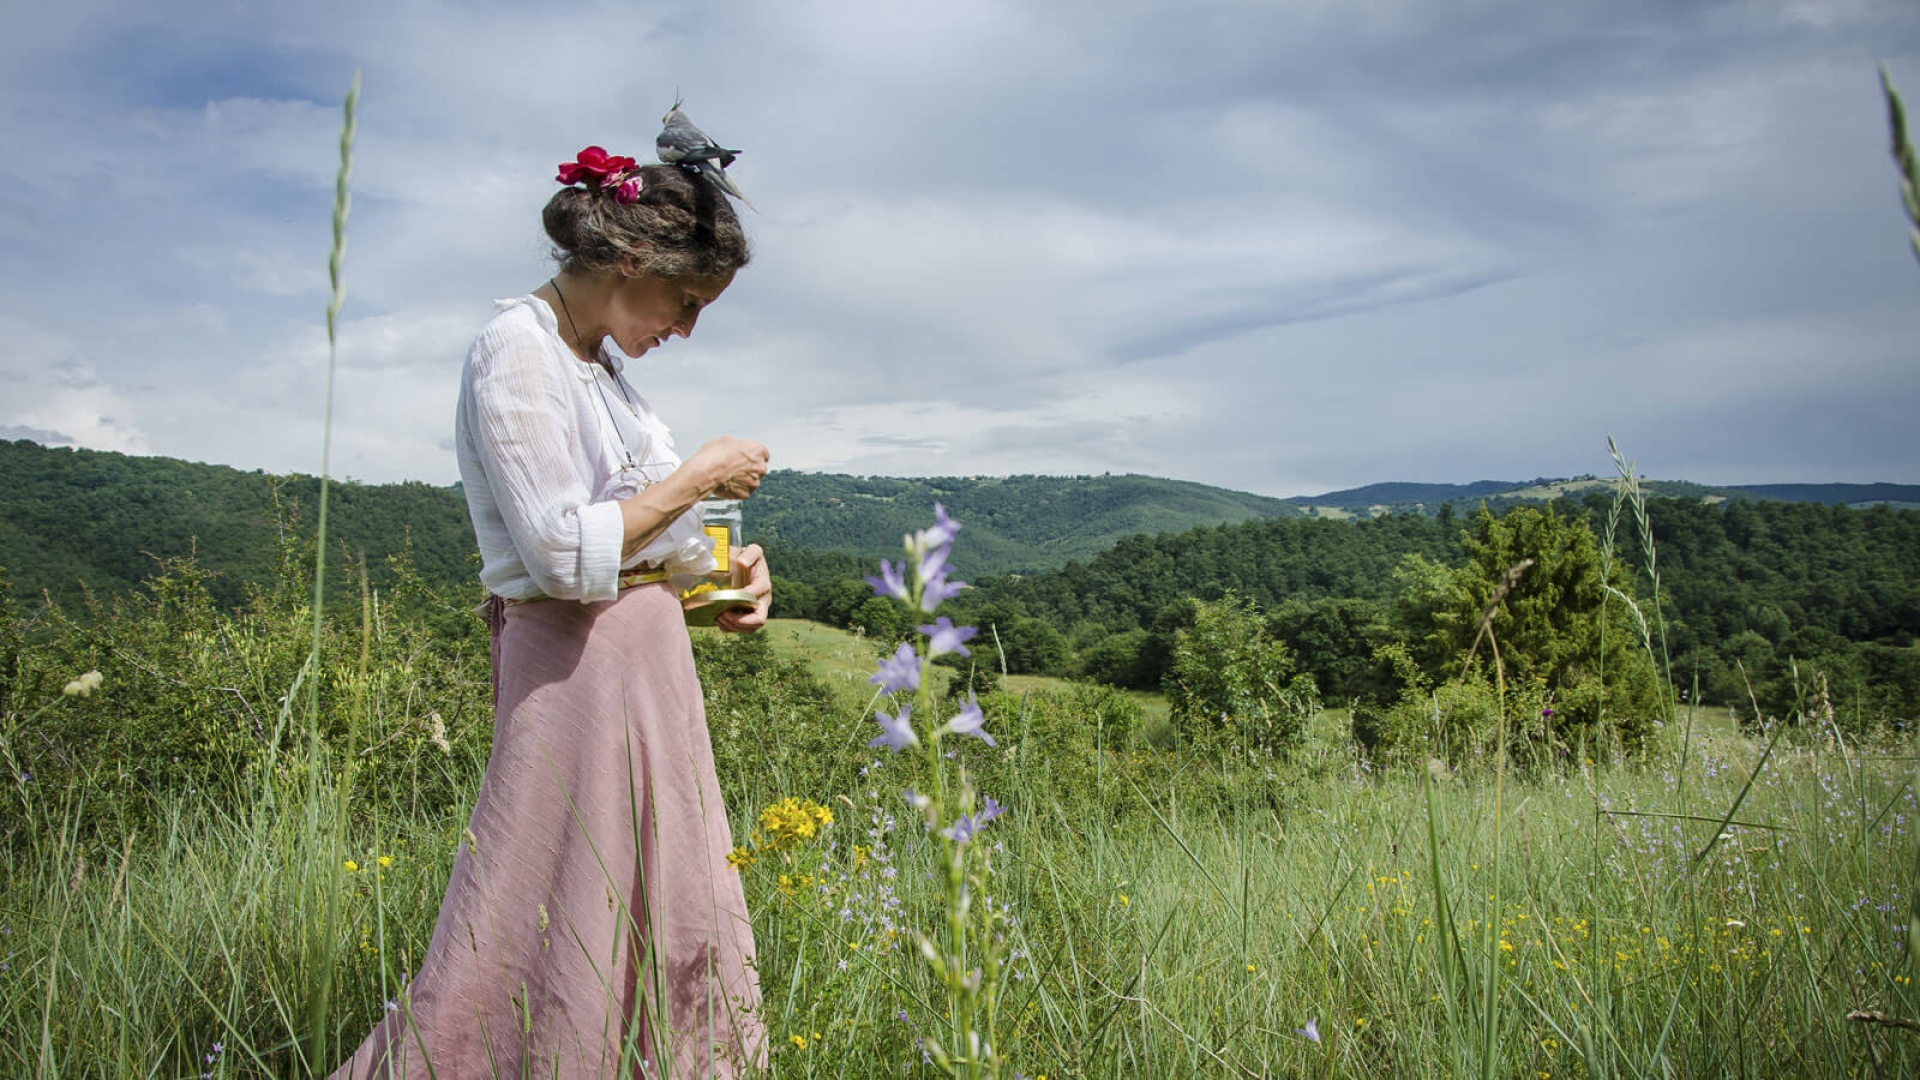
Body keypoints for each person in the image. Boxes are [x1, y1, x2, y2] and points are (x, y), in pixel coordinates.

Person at [330, 152, 771, 1078]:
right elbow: (563, 555)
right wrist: (696, 475)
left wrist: (724, 581)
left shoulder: (601, 371)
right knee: (541, 914)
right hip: (572, 678)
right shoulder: (516, 347)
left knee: (659, 906)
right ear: (631, 266)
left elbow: (641, 546)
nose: (686, 328)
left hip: (648, 679)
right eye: (687, 302)